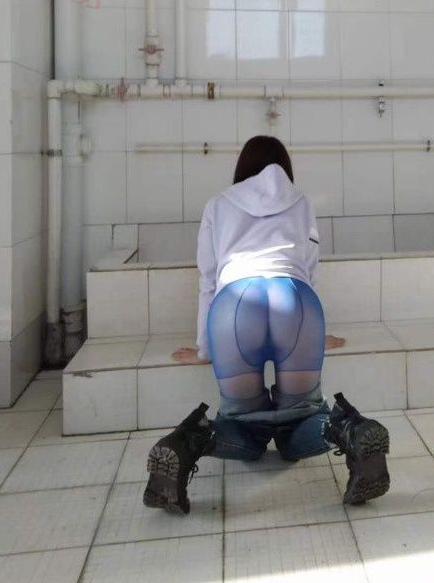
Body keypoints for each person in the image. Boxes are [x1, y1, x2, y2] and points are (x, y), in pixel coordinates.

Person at [143, 135, 390, 515]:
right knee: (304, 414)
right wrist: (314, 335)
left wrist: (206, 347)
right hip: (296, 301)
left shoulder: (218, 204)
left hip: (235, 305)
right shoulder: (300, 201)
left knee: (244, 425)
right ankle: (348, 430)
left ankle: (190, 440)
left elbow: (208, 280)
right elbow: (308, 271)